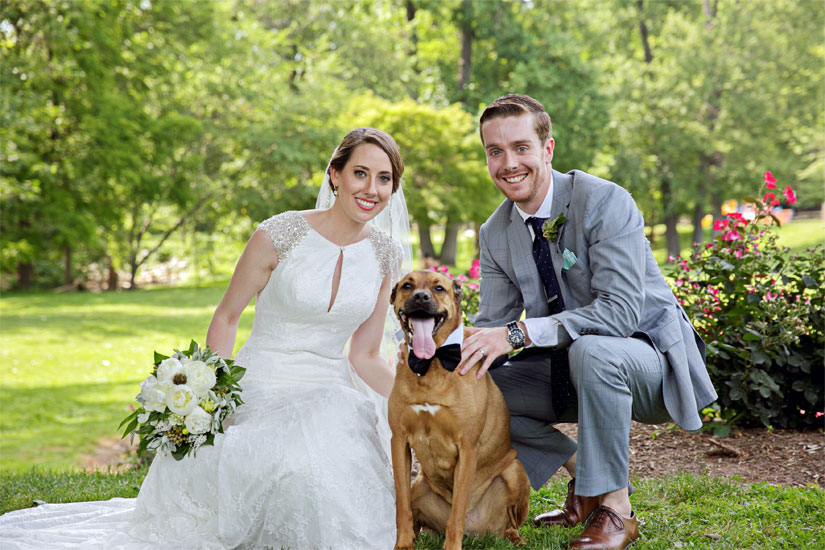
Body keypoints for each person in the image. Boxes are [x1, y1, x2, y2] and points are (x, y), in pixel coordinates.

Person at [0, 128, 412, 550]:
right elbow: (228, 316)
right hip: (262, 383)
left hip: (331, 391)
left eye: (384, 179)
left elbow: (364, 355)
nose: (372, 189)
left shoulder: (385, 255)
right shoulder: (281, 234)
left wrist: (416, 397)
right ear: (335, 175)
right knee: (292, 458)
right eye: (360, 173)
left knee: (334, 429)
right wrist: (209, 395)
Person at [456, 94, 717, 550]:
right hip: (566, 367)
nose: (508, 163)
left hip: (648, 360)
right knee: (476, 387)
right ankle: (583, 476)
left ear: (548, 149)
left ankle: (617, 510)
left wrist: (519, 333)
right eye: (495, 151)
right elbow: (492, 326)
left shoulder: (603, 200)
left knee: (593, 350)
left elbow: (619, 313)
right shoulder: (495, 232)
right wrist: (437, 351)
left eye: (521, 147)